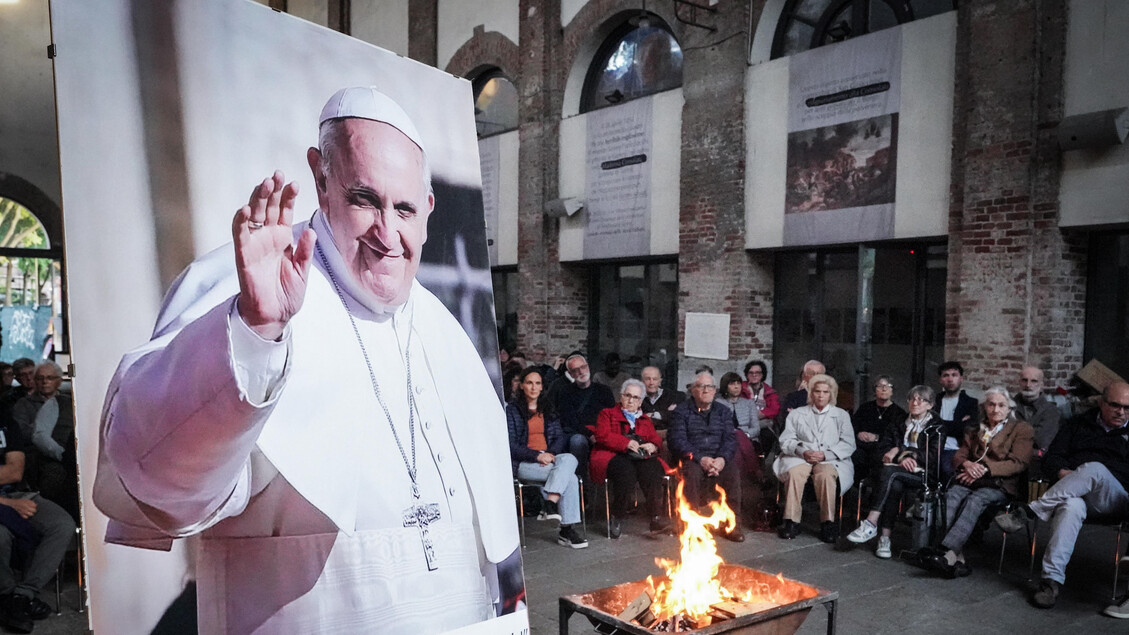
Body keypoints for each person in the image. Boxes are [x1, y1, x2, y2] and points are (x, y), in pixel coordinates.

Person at [93, 87, 521, 633]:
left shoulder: (445, 330)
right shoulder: (244, 291)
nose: (388, 236)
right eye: (365, 199)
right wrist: (255, 336)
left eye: (406, 209)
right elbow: (161, 484)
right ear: (320, 179)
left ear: (428, 212)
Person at [994, 382, 1129, 612]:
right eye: (1115, 405)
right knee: (1070, 507)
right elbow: (1051, 458)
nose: (1122, 412)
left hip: (1116, 497)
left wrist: (1087, 474)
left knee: (1094, 469)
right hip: (1074, 491)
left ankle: (1031, 510)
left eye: (1127, 408)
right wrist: (1061, 472)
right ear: (1101, 402)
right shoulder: (1077, 424)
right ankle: (1050, 582)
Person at [922, 387, 1033, 578]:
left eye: (1001, 405)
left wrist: (985, 470)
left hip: (998, 483)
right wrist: (966, 463)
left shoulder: (1021, 429)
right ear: (984, 407)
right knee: (952, 495)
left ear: (1009, 408)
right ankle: (957, 558)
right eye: (991, 404)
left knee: (975, 500)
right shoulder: (975, 429)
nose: (995, 409)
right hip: (970, 478)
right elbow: (959, 455)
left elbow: (1019, 463)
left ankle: (946, 553)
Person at [0, 409, 76, 634]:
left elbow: (15, 472)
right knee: (1, 536)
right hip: (8, 502)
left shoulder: (5, 421)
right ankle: (7, 596)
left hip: (17, 494)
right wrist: (6, 504)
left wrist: (10, 501)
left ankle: (21, 597)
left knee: (62, 525)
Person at [847, 385, 942, 558]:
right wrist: (900, 459)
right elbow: (881, 449)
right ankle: (885, 539)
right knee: (894, 483)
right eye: (912, 399)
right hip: (897, 472)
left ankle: (871, 523)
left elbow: (931, 457)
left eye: (921, 400)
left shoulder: (936, 427)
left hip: (924, 474)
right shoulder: (899, 422)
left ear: (930, 405)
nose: (915, 402)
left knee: (890, 474)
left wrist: (899, 452)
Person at [505, 368, 587, 549]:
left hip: (549, 459)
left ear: (542, 387)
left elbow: (559, 437)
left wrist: (549, 455)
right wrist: (537, 456)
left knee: (569, 459)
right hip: (524, 462)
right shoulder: (512, 410)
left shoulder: (548, 408)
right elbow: (510, 445)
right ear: (522, 386)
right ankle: (566, 530)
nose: (534, 387)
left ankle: (550, 503)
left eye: (538, 383)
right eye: (529, 383)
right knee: (570, 477)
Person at [773, 374, 855, 543]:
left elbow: (848, 443)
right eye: (817, 391)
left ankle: (828, 522)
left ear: (831, 394)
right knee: (794, 473)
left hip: (830, 458)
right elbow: (786, 439)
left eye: (825, 392)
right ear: (811, 393)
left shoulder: (841, 415)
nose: (821, 395)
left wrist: (826, 455)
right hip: (801, 456)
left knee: (825, 475)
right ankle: (791, 521)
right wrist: (802, 451)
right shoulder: (797, 413)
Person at [668, 372, 744, 542]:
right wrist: (700, 458)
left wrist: (722, 460)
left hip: (719, 460)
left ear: (715, 390)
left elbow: (730, 439)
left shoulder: (724, 412)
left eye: (709, 386)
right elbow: (677, 441)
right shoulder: (681, 412)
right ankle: (693, 529)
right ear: (693, 390)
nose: (705, 390)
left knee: (732, 473)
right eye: (701, 386)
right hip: (692, 459)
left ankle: (732, 526)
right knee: (691, 474)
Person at [591, 379, 669, 538]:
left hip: (639, 456)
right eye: (628, 395)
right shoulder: (607, 413)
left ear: (641, 401)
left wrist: (652, 446)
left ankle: (655, 517)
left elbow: (656, 439)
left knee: (653, 469)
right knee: (626, 471)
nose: (631, 400)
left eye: (636, 397)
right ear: (621, 396)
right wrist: (626, 443)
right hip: (613, 454)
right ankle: (617, 516)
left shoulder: (645, 420)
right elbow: (602, 435)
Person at [11, 362, 78, 521]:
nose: (45, 382)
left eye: (49, 378)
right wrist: (61, 454)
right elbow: (28, 434)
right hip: (40, 457)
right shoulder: (24, 404)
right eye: (40, 378)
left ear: (59, 381)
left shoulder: (69, 401)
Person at [552, 353, 615, 479]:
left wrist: (602, 434)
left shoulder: (604, 390)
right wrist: (590, 435)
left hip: (602, 433)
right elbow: (569, 420)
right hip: (579, 433)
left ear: (588, 367)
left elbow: (612, 416)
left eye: (583, 367)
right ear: (570, 374)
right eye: (575, 370)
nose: (581, 372)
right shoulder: (565, 392)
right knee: (577, 441)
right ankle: (580, 483)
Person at [851, 376, 906, 484]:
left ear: (892, 391)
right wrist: (858, 433)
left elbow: (898, 437)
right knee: (853, 457)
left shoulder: (899, 413)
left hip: (883, 449)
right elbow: (852, 426)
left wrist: (876, 437)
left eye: (887, 386)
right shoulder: (865, 408)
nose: (884, 389)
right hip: (862, 447)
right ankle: (854, 494)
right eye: (880, 386)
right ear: (875, 390)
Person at [1013, 365, 1061, 475]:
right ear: (1019, 382)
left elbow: (1041, 441)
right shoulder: (1007, 406)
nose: (1028, 385)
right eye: (1024, 380)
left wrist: (1014, 437)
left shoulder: (1051, 411)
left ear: (1041, 385)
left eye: (1034, 381)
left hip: (1035, 464)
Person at [936, 361, 979, 481]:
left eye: (954, 375)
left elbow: (966, 430)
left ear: (961, 379)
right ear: (940, 380)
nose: (950, 379)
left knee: (947, 469)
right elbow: (927, 426)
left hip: (956, 449)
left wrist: (940, 424)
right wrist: (957, 425)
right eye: (946, 375)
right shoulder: (933, 401)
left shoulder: (971, 403)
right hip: (933, 447)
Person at [720, 372, 763, 482]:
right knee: (735, 439)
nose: (736, 386)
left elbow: (756, 428)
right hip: (726, 438)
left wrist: (745, 435)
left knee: (739, 437)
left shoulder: (749, 403)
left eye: (738, 383)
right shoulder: (718, 403)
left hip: (749, 438)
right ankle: (756, 472)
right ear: (725, 386)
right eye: (732, 384)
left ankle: (739, 482)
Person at [776, 360, 825, 432]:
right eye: (811, 373)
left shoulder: (831, 395)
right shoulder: (793, 397)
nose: (816, 376)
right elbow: (789, 420)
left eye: (819, 373)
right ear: (804, 376)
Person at [739, 360, 780, 431]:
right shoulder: (740, 388)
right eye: (751, 373)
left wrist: (761, 414)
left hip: (763, 422)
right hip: (743, 421)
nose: (754, 375)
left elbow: (774, 409)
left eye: (757, 372)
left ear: (762, 374)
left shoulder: (769, 391)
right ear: (747, 375)